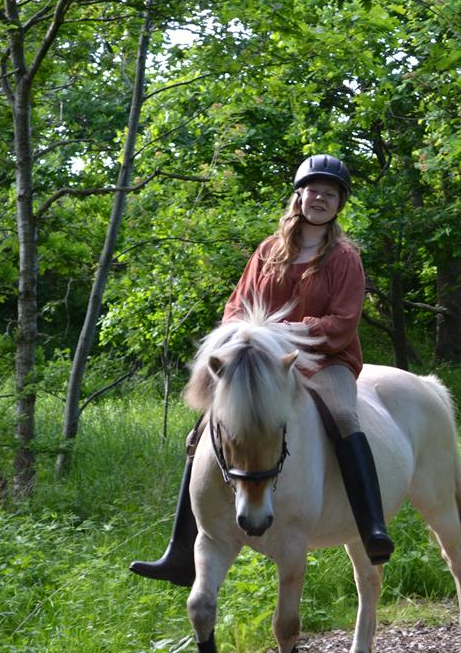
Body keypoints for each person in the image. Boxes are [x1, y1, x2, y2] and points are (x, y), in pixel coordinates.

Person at [129, 154, 394, 587]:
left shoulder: (345, 257)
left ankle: (372, 527)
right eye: (314, 191)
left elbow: (343, 324)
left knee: (345, 418)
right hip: (263, 368)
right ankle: (180, 551)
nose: (320, 199)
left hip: (326, 362)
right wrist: (241, 336)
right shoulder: (268, 251)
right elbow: (236, 307)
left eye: (330, 194)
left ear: (339, 203)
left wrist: (290, 333)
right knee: (201, 431)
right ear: (299, 195)